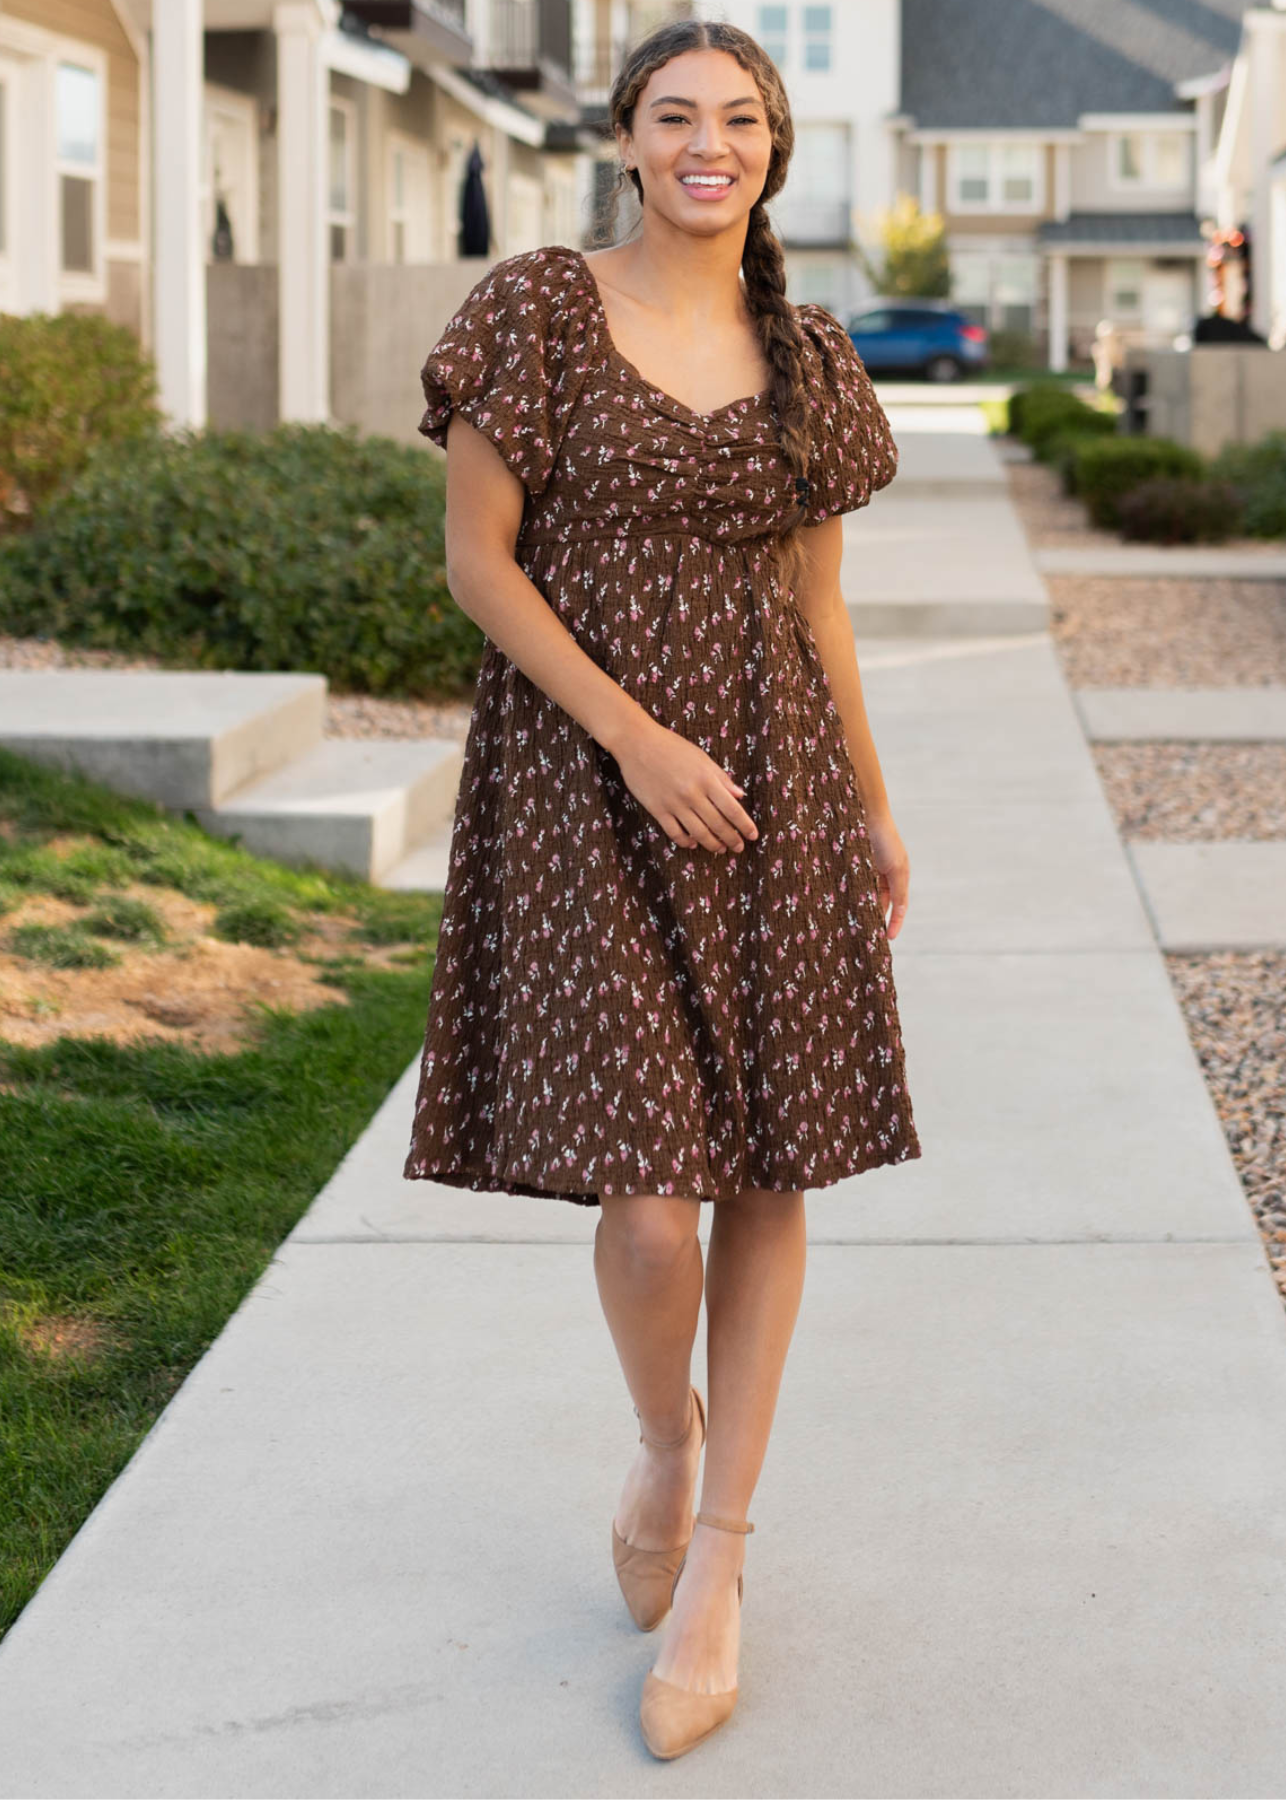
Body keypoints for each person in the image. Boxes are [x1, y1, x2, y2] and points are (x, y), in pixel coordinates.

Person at [402, 17, 922, 1761]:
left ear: (773, 152)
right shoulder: (536, 313)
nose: (712, 143)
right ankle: (661, 1434)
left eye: (744, 120)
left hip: (773, 793)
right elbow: (478, 567)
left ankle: (720, 1561)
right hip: (584, 791)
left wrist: (869, 805)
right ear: (625, 140)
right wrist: (631, 739)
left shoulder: (811, 356)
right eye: (678, 116)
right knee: (647, 1200)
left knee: (770, 1160)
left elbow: (819, 606)